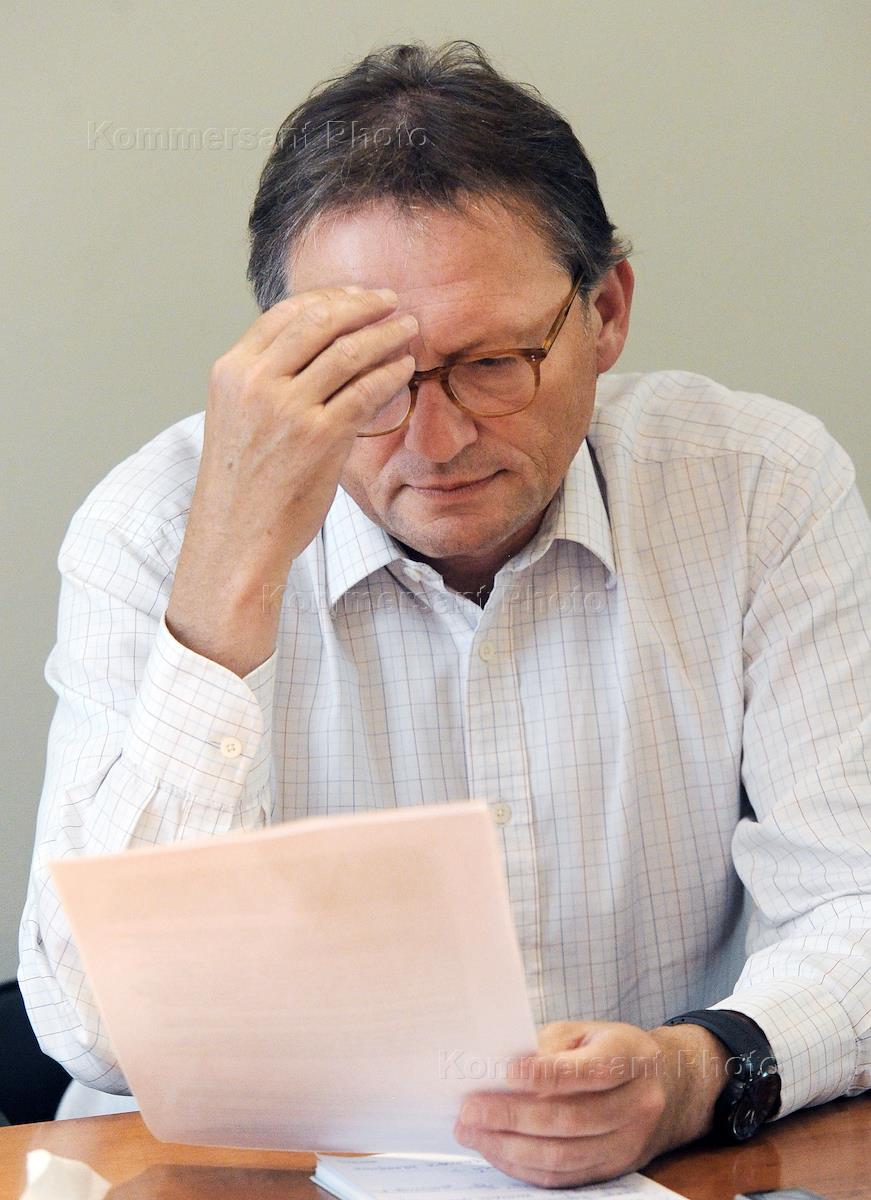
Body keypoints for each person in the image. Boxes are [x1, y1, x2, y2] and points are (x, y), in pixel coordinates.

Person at [19, 40, 870, 1188]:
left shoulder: (757, 486)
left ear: (606, 312)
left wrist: (695, 1071)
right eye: (365, 378)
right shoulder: (155, 528)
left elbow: (855, 900)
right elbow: (89, 1028)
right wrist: (229, 575)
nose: (436, 440)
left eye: (493, 363)